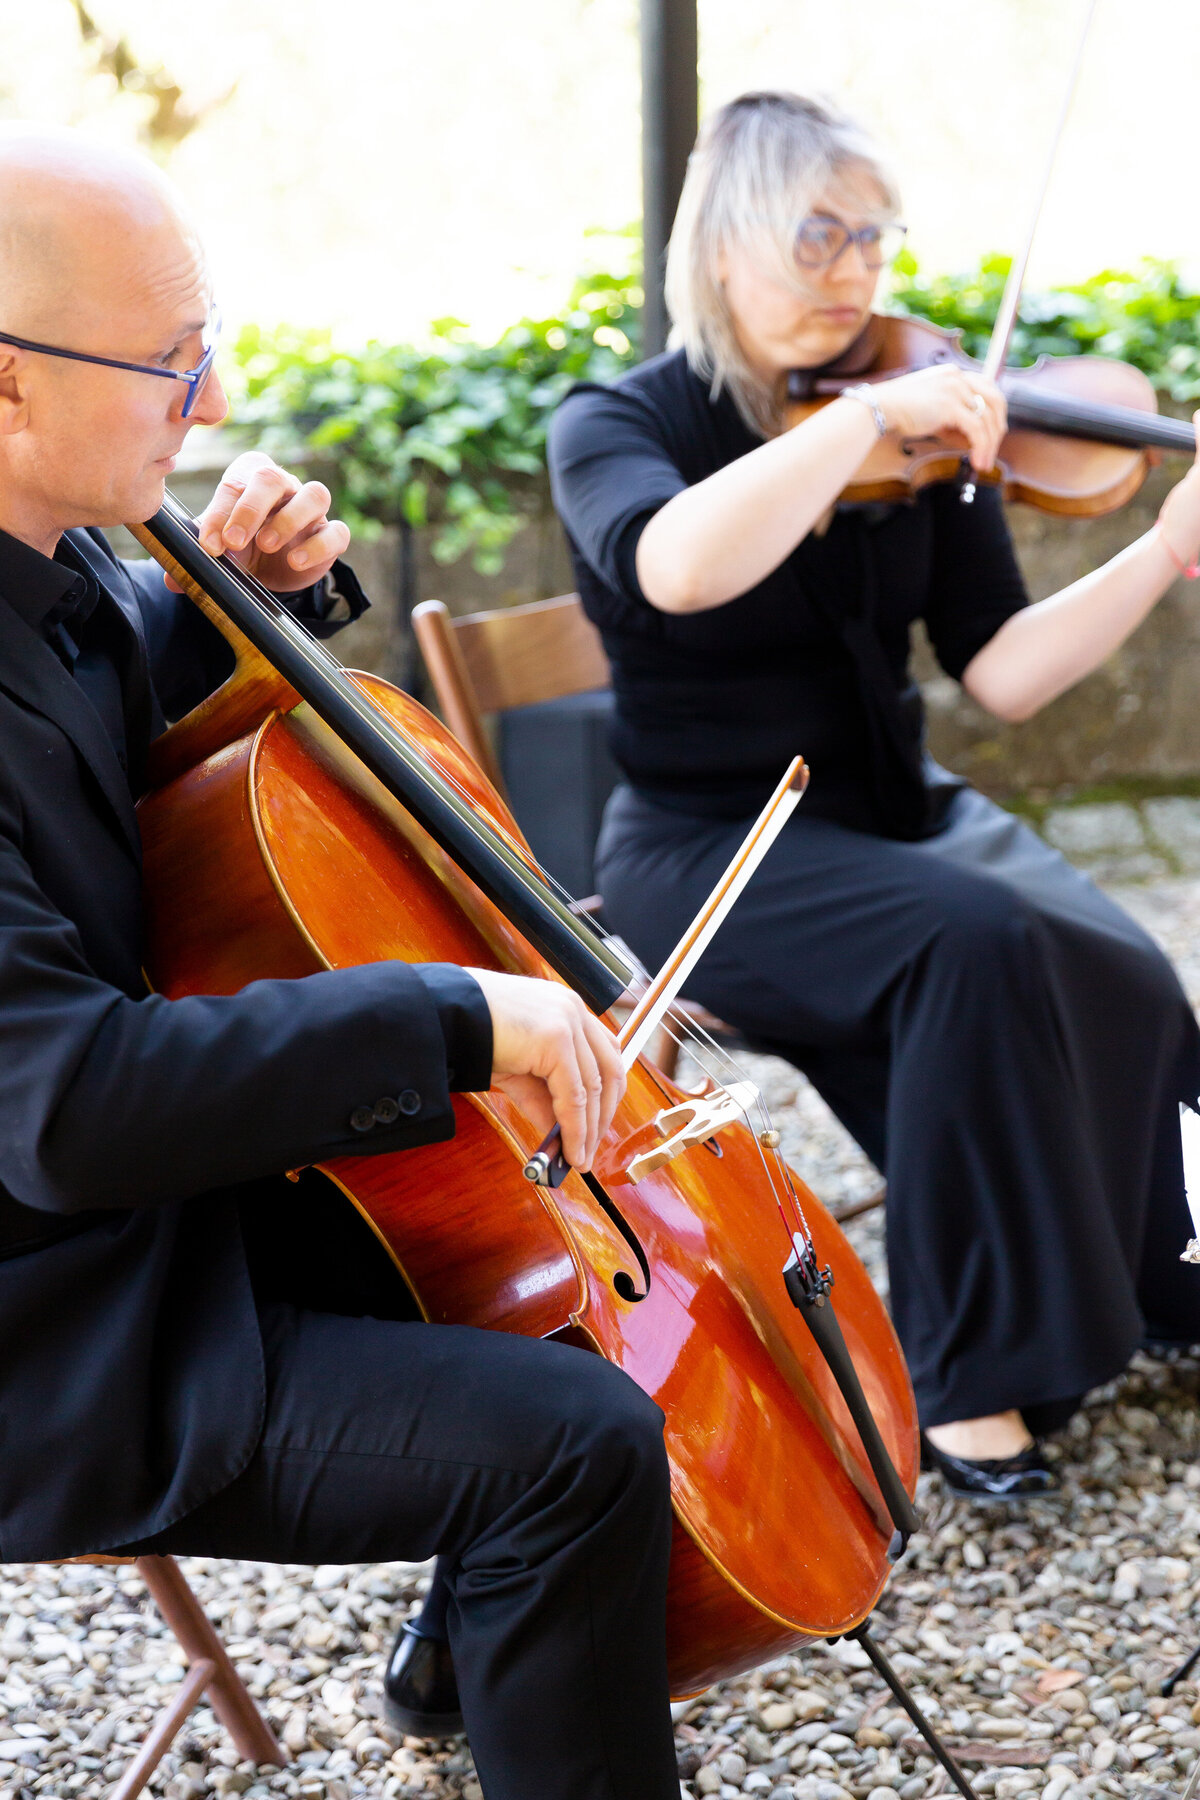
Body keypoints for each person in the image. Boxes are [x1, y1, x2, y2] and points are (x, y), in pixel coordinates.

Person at [0, 125, 683, 1800]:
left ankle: (484, 1652)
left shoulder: (68, 548)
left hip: (153, 1216)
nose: (217, 399)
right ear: (8, 390)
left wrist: (237, 603)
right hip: (58, 1324)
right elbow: (64, 1104)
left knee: (531, 1260)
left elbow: (98, 710)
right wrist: (459, 1012)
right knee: (580, 1444)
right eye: (173, 364)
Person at [546, 90, 1200, 1503]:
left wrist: (1156, 557)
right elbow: (673, 567)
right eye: (819, 234)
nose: (855, 272)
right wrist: (860, 429)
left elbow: (1005, 674)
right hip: (708, 844)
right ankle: (975, 1377)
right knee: (977, 948)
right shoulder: (616, 423)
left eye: (875, 235)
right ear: (725, 244)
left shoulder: (915, 417)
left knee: (1128, 968)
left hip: (898, 807)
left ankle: (1159, 1281)